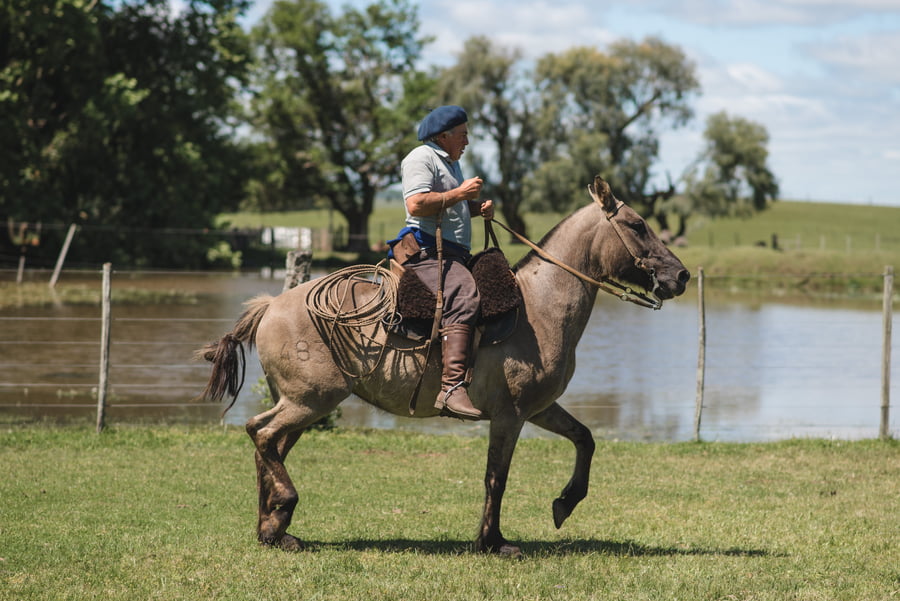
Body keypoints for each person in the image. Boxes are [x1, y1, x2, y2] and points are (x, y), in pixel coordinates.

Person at [388, 105, 494, 420]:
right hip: (425, 252)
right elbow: (417, 204)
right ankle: (451, 388)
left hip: (450, 253)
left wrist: (475, 207)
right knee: (463, 295)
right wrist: (461, 193)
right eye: (462, 135)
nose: (467, 141)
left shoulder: (449, 162)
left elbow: (446, 208)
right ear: (444, 136)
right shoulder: (420, 158)